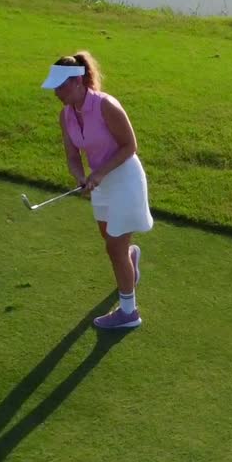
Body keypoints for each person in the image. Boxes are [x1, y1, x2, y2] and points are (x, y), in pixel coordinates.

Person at [42, 51, 153, 330]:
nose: (56, 92)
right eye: (54, 86)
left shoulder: (106, 106)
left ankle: (129, 312)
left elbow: (130, 146)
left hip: (125, 179)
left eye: (61, 86)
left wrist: (100, 173)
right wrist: (81, 177)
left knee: (114, 246)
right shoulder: (65, 115)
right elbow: (71, 156)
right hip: (100, 183)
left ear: (78, 81)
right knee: (110, 239)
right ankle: (132, 259)